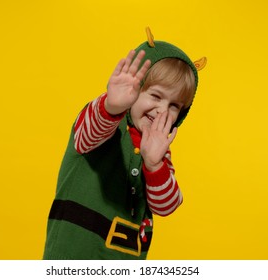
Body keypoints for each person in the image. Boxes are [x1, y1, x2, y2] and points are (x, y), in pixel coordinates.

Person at [44, 28, 206, 259]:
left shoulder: (158, 153)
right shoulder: (102, 124)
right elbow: (91, 130)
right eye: (156, 96)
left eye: (174, 106)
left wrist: (154, 165)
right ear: (134, 89)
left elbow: (167, 205)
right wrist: (112, 106)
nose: (162, 110)